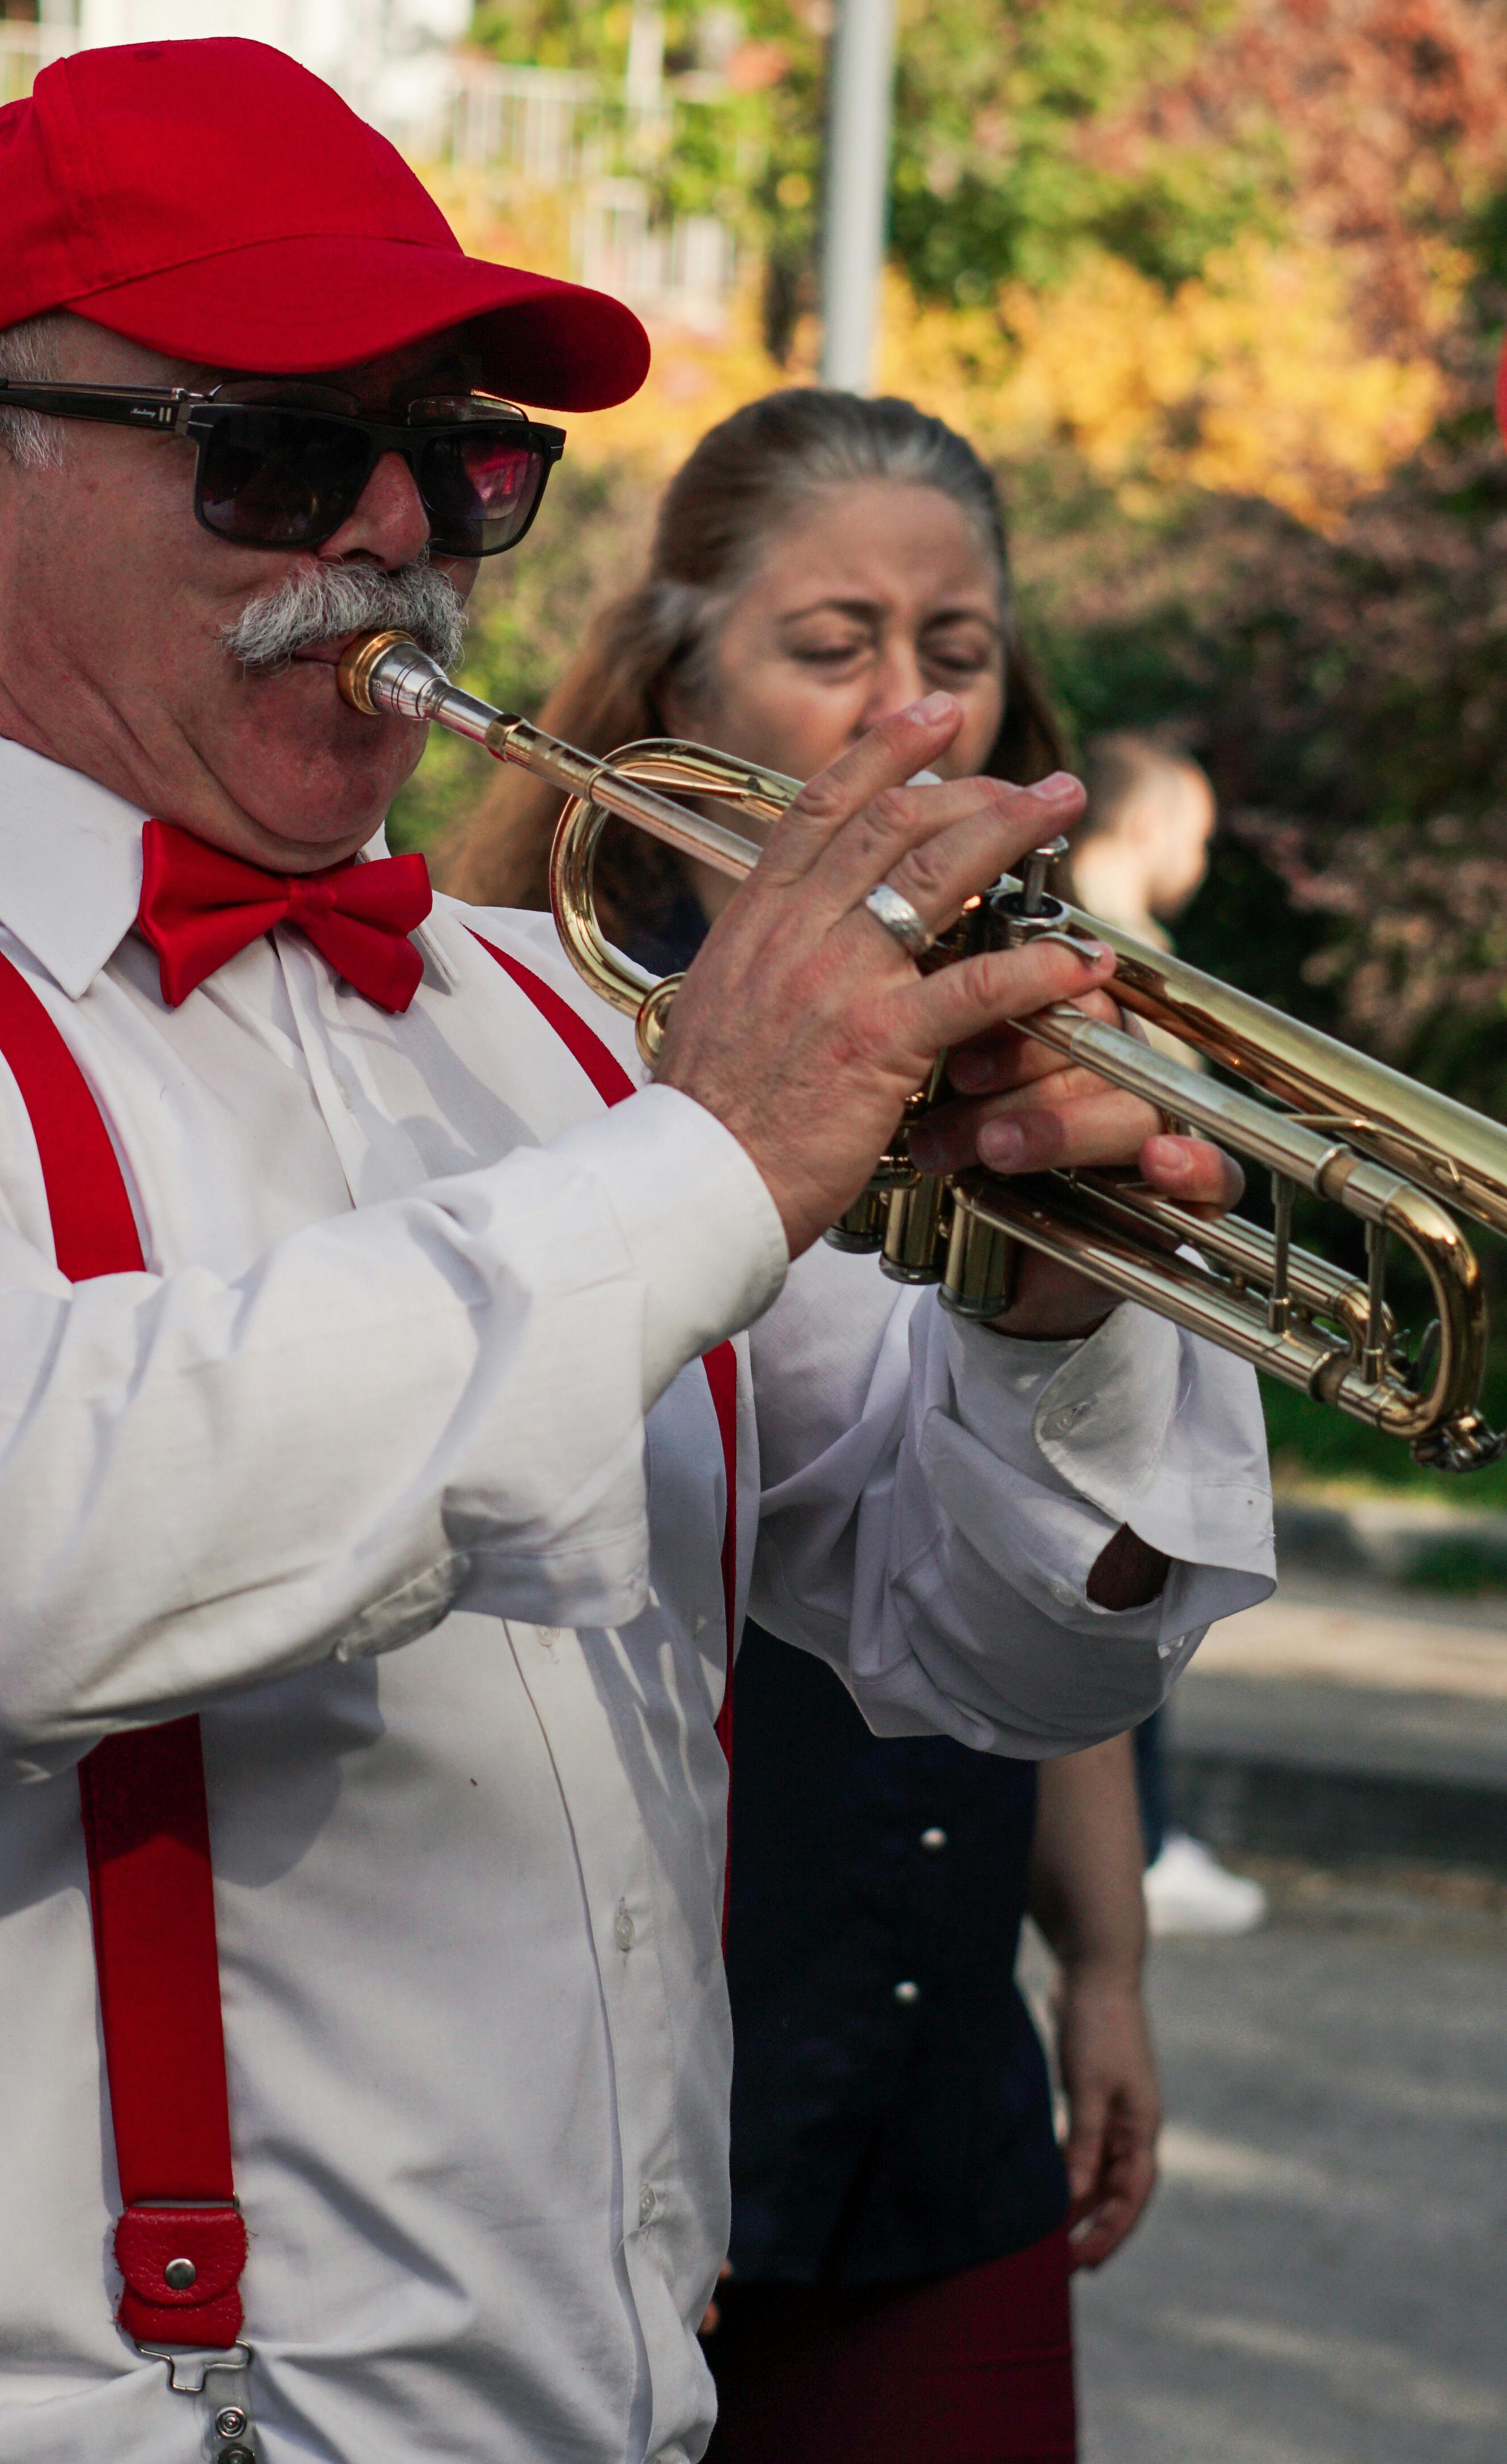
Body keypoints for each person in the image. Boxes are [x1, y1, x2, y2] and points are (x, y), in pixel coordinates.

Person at [0, 40, 1273, 2464]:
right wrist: (711, 1158)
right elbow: (24, 1565)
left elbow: (992, 1650)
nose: (396, 540)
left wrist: (1053, 1298)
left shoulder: (551, 1035)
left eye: (465, 457)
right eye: (278, 453)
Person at [453, 390, 1164, 2463]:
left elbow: (1034, 1547)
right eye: (829, 646)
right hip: (620, 2065)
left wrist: (1100, 1962)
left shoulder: (1028, 1032)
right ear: (675, 678)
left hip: (933, 2066)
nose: (908, 712)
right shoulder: (512, 1036)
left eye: (953, 655)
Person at [1069, 735, 1270, 1943]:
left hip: (1143, 1286)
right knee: (1117, 1581)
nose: (1199, 855)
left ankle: (1147, 1835)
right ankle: (1136, 1843)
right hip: (1113, 1299)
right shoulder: (1112, 939)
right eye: (1192, 829)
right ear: (1148, 829)